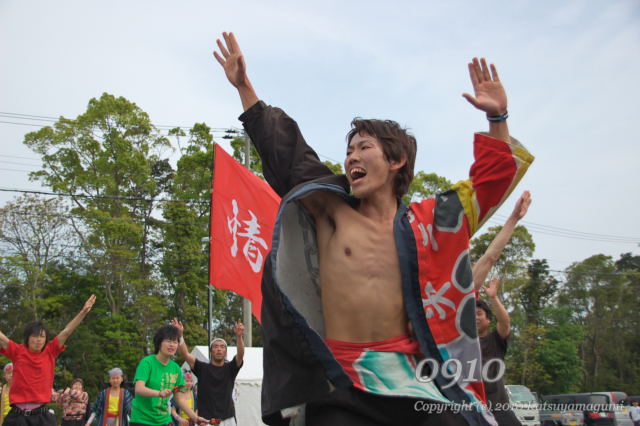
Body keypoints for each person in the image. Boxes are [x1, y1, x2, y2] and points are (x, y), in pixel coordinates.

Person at [214, 32, 533, 426]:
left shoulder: (431, 222)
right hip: (342, 381)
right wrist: (245, 87)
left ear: (396, 160)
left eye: (363, 147)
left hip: (412, 379)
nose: (352, 157)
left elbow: (491, 181)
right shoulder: (331, 211)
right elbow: (286, 151)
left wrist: (498, 119)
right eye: (349, 150)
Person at [472, 191, 530, 426]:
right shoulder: (453, 332)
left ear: (488, 320)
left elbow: (490, 257)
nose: (474, 318)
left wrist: (513, 218)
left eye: (478, 314)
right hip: (466, 409)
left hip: (499, 410)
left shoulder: (495, 341)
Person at [0, 294, 96, 426]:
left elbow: (67, 331)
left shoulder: (50, 351)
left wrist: (83, 311)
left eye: (42, 336)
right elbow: (2, 338)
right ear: (27, 338)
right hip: (17, 417)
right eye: (35, 336)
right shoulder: (17, 351)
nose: (38, 340)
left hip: (41, 416)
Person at [129, 324, 207, 426]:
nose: (172, 345)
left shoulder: (176, 368)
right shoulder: (147, 363)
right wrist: (159, 393)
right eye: (168, 341)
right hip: (142, 420)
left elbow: (179, 399)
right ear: (159, 343)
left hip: (163, 420)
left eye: (175, 342)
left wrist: (195, 418)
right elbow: (139, 389)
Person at [174, 319, 244, 426]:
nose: (219, 349)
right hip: (205, 420)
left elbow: (240, 355)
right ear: (211, 351)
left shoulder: (230, 368)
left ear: (226, 352)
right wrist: (180, 336)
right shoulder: (202, 368)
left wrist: (239, 336)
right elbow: (185, 355)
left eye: (222, 347)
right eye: (216, 346)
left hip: (228, 419)